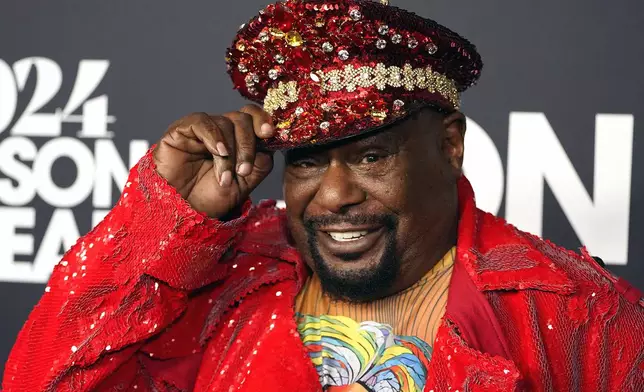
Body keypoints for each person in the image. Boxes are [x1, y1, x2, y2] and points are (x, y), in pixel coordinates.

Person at [3, 0, 643, 391]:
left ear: (450, 146)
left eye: (371, 155)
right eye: (307, 160)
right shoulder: (222, 276)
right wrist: (168, 226)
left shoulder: (582, 315)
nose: (332, 195)